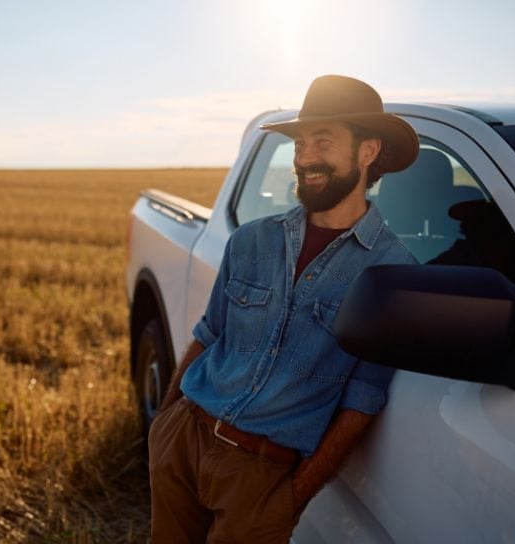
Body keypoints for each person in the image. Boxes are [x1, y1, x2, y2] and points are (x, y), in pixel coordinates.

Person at [148, 75, 420, 543]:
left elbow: (362, 402)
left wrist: (291, 499)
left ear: (368, 151)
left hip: (262, 478)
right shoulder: (251, 240)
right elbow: (209, 335)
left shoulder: (392, 273)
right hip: (183, 444)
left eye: (323, 141)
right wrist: (162, 431)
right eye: (299, 144)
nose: (305, 157)